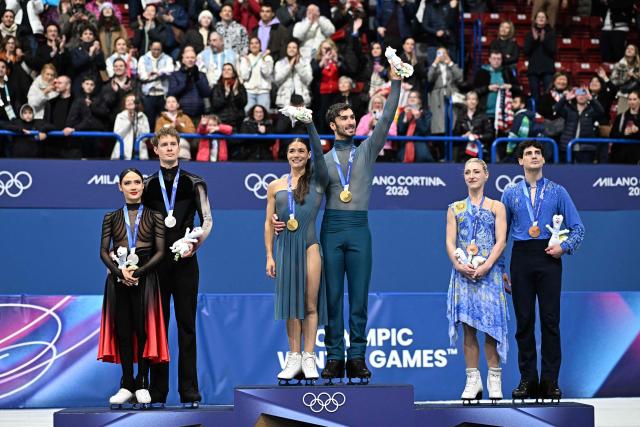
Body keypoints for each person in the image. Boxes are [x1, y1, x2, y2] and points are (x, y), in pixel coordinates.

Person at [273, 63, 402, 383]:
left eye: (352, 118)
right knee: (330, 299)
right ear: (333, 124)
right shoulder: (324, 160)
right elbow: (313, 151)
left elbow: (385, 119)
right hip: (331, 230)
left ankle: (356, 357)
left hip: (359, 229)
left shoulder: (368, 150)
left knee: (358, 298)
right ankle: (333, 357)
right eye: (344, 118)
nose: (350, 121)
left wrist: (396, 82)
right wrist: (309, 124)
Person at [501, 140, 585, 403]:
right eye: (528, 153)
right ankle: (527, 380)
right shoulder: (511, 193)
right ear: (520, 162)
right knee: (524, 322)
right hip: (521, 257)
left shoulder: (558, 192)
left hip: (549, 258)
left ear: (543, 160)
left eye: (538, 153)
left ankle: (550, 382)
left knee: (550, 322)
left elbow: (578, 227)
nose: (534, 156)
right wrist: (502, 267)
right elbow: (500, 235)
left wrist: (565, 247)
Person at [143, 126, 212, 407]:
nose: (170, 148)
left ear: (179, 148)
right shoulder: (147, 185)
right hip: (156, 267)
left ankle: (189, 392)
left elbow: (207, 220)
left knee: (187, 327)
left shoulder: (195, 182)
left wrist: (195, 245)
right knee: (156, 329)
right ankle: (157, 393)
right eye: (165, 144)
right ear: (156, 149)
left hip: (186, 264)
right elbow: (141, 225)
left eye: (174, 143)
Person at [97, 167, 169, 408]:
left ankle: (142, 384)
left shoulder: (155, 216)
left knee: (143, 331)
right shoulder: (111, 217)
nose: (133, 186)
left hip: (146, 279)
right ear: (120, 187)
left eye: (137, 181)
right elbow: (102, 252)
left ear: (142, 185)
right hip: (118, 281)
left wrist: (137, 273)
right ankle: (127, 384)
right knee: (124, 332)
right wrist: (121, 273)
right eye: (127, 182)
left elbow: (160, 252)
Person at [264, 121, 329, 384]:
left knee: (309, 303)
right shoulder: (275, 186)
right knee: (291, 305)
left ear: (309, 154)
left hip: (310, 245)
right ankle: (293, 357)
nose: (297, 155)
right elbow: (269, 223)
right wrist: (269, 255)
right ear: (287, 154)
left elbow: (320, 155)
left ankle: (309, 356)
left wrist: (310, 125)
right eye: (293, 151)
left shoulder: (318, 180)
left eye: (302, 151)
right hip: (284, 247)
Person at [446, 158, 509, 404]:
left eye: (476, 172)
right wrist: (457, 263)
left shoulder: (496, 207)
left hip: (489, 274)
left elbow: (501, 241)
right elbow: (450, 242)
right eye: (467, 172)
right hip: (463, 274)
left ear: (486, 175)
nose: (471, 175)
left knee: (491, 328)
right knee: (468, 329)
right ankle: (473, 380)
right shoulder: (454, 208)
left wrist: (487, 266)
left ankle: (495, 379)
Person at [554, 87, 604, 163]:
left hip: (586, 147)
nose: (581, 96)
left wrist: (591, 99)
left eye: (584, 94)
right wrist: (565, 98)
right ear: (575, 96)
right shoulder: (569, 109)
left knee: (585, 172)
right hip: (567, 146)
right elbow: (556, 109)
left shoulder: (591, 111)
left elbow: (601, 111)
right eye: (579, 94)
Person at [524, 11, 557, 103]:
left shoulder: (551, 33)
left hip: (547, 67)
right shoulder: (530, 33)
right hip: (534, 67)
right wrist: (534, 40)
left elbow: (552, 50)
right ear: (535, 20)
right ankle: (536, 114)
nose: (541, 19)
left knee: (548, 94)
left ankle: (547, 114)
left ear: (546, 20)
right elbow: (526, 51)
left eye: (543, 17)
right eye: (539, 17)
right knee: (535, 94)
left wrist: (544, 40)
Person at [274, 39, 312, 108]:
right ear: (286, 49)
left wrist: (298, 65)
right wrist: (289, 65)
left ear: (298, 50)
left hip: (301, 101)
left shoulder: (305, 63)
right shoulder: (279, 63)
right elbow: (277, 80)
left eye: (294, 47)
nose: (291, 49)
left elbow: (308, 80)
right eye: (289, 47)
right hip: (284, 101)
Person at [238, 36, 274, 113]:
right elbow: (244, 76)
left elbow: (267, 73)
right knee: (248, 114)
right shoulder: (245, 59)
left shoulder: (267, 58)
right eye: (252, 43)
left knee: (263, 115)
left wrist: (263, 59)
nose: (254, 45)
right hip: (249, 92)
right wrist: (247, 63)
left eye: (256, 43)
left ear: (260, 45)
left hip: (263, 91)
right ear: (249, 46)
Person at [397, 91, 434, 162]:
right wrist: (405, 117)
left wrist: (417, 118)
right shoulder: (403, 114)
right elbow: (400, 131)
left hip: (421, 148)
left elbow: (424, 130)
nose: (412, 99)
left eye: (414, 97)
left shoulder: (426, 113)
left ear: (419, 100)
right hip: (404, 148)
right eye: (410, 97)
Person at [112, 93, 150, 160]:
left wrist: (135, 121)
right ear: (125, 104)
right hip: (122, 153)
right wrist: (129, 122)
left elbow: (145, 137)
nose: (130, 102)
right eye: (128, 100)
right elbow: (117, 134)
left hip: (139, 153)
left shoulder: (143, 116)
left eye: (132, 100)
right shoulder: (120, 116)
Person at [610, 90, 640, 164]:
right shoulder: (621, 117)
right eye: (630, 99)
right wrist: (624, 133)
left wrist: (637, 131)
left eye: (634, 99)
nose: (632, 102)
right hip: (620, 156)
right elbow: (612, 135)